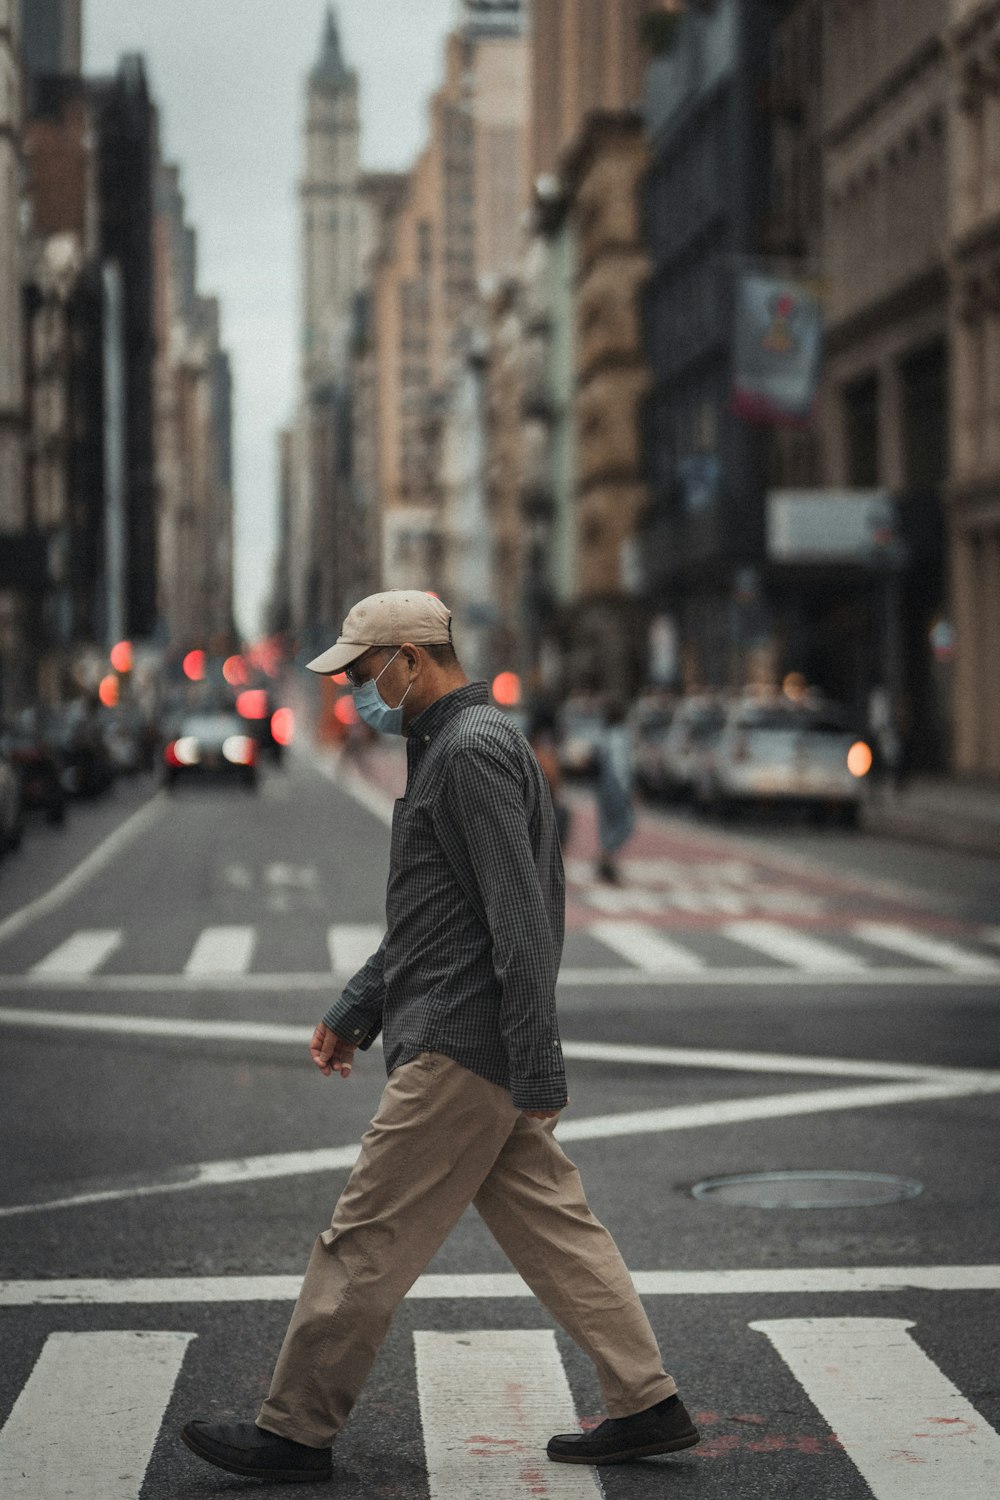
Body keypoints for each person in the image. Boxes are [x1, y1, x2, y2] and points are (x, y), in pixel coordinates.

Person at [181, 590, 698, 1483]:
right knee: (555, 1228)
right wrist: (355, 1010)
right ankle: (649, 1401)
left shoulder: (470, 753)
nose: (353, 691)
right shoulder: (455, 749)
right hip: (467, 1033)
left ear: (412, 660)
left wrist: (538, 1065)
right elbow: (436, 918)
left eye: (362, 671)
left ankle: (295, 1431)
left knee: (364, 1235)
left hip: (463, 1046)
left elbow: (520, 923)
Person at [594, 697, 636, 883]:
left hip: (603, 785)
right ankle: (607, 858)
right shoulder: (620, 735)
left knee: (607, 824)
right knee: (626, 823)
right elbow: (620, 766)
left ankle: (606, 861)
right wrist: (627, 790)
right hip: (616, 785)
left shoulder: (605, 733)